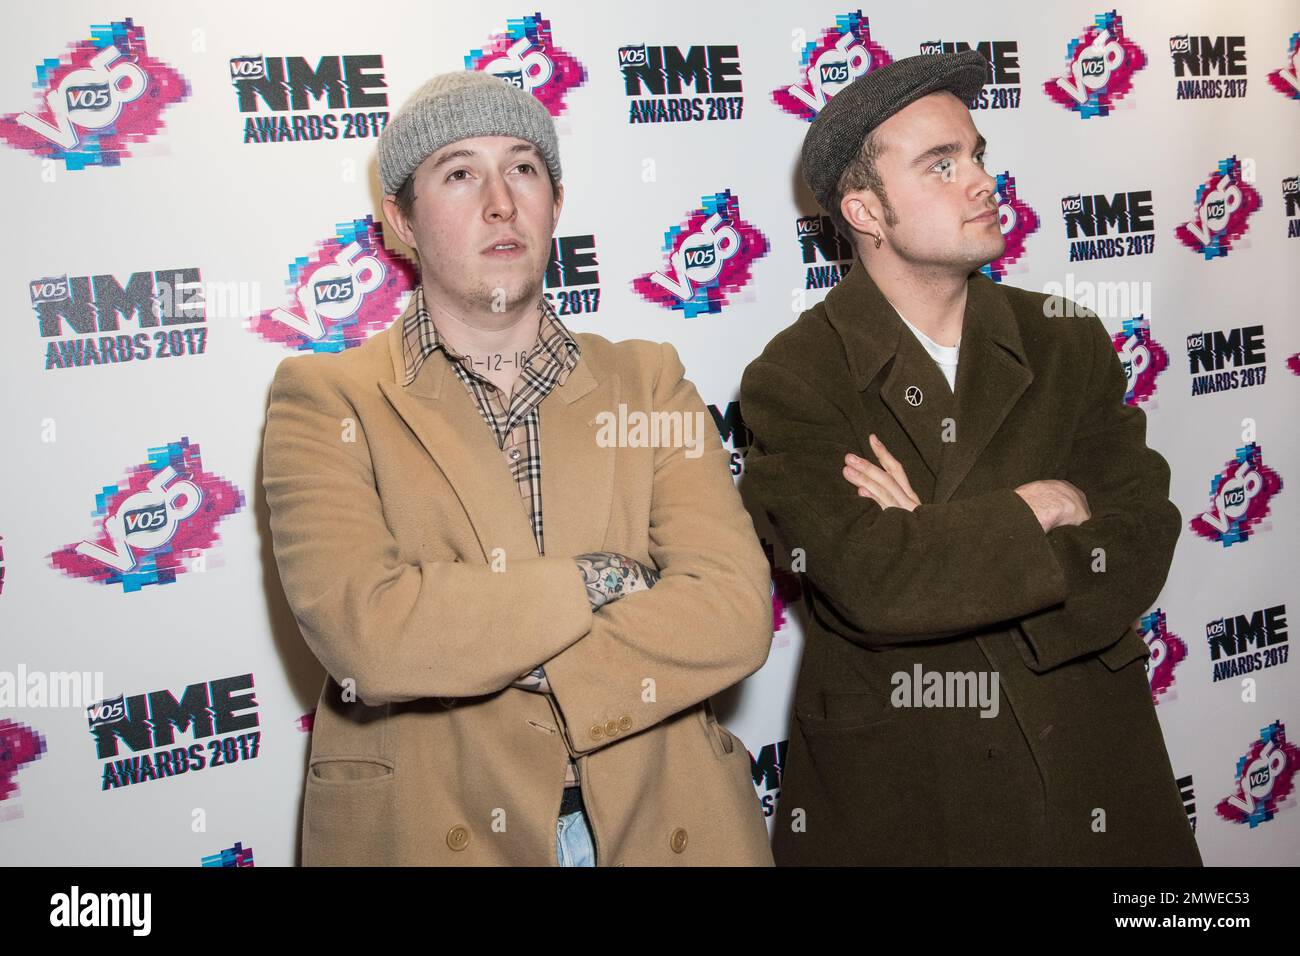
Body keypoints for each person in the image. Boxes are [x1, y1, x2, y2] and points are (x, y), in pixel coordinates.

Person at [263, 70, 774, 866]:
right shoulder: (326, 397)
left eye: (525, 168)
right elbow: (371, 635)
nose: (500, 202)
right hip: (437, 829)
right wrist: (603, 578)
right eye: (459, 172)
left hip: (660, 822)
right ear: (400, 219)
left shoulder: (648, 378)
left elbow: (735, 613)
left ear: (555, 204)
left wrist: (475, 634)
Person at [739, 50, 1201, 865]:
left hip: (1088, 758)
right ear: (865, 211)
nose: (983, 180)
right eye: (941, 165)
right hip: (914, 784)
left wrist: (938, 538)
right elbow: (873, 583)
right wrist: (1040, 507)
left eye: (978, 154)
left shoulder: (1067, 335)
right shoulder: (793, 377)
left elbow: (1142, 535)